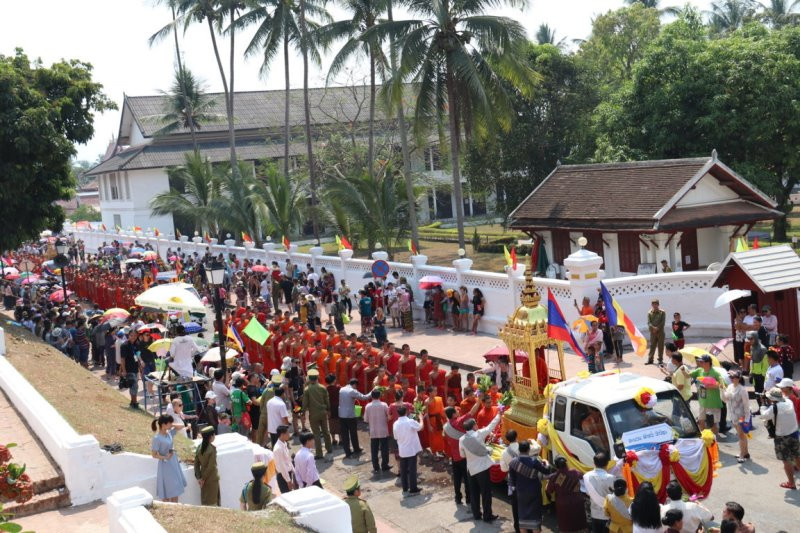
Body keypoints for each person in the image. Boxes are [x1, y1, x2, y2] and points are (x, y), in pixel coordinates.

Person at [460, 407, 503, 523]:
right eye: (475, 424)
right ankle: (487, 515)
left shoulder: (462, 439)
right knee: (486, 493)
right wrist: (499, 414)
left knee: (474, 493)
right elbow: (491, 426)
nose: (477, 425)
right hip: (482, 469)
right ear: (473, 426)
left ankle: (476, 514)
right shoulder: (478, 434)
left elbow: (462, 455)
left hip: (471, 470)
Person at [759, 387, 800, 489]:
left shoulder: (774, 408)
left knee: (787, 461)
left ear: (772, 399)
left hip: (782, 437)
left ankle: (791, 483)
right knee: (797, 456)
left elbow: (764, 416)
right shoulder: (789, 402)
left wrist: (763, 404)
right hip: (794, 433)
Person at [508, 441, 550, 533]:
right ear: (528, 450)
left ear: (519, 449)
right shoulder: (534, 461)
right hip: (534, 493)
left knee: (523, 518)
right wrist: (546, 463)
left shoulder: (513, 462)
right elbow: (546, 471)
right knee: (534, 518)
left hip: (521, 493)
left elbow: (512, 481)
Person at [583, 451, 623, 533]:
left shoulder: (586, 476)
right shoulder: (611, 478)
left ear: (594, 463)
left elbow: (587, 493)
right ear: (607, 463)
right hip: (608, 515)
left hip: (595, 513)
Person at [150, 415, 187, 502]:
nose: (171, 425)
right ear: (163, 424)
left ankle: (176, 508)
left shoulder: (169, 433)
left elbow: (182, 426)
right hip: (165, 465)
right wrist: (165, 457)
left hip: (174, 462)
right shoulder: (157, 438)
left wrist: (171, 424)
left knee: (176, 488)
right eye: (169, 423)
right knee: (168, 489)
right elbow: (154, 454)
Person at [546, 456, 587, 533]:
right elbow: (582, 477)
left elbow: (549, 491)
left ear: (556, 466)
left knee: (566, 526)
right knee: (580, 524)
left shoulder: (554, 477)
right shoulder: (575, 472)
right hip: (577, 502)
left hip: (563, 504)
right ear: (566, 464)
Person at [689, 354, 725, 435]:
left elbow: (722, 385)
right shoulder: (699, 370)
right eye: (699, 361)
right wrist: (683, 370)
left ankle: (713, 440)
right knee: (701, 421)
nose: (700, 363)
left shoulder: (715, 373)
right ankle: (704, 438)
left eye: (702, 361)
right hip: (703, 402)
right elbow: (688, 375)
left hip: (713, 403)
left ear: (708, 363)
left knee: (713, 424)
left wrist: (711, 386)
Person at [302, 369, 332, 459]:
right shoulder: (323, 387)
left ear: (309, 378)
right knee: (326, 431)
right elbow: (327, 400)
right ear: (317, 378)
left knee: (316, 434)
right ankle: (329, 448)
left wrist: (303, 413)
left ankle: (319, 453)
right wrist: (329, 410)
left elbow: (305, 403)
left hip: (313, 414)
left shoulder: (307, 390)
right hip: (323, 412)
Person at [393, 405, 422, 495]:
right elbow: (420, 427)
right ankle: (413, 488)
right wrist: (421, 419)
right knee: (412, 470)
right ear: (406, 412)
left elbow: (395, 437)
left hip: (402, 450)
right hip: (411, 449)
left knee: (403, 470)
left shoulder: (395, 424)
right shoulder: (410, 421)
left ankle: (405, 488)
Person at [722, 370, 751, 462]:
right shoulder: (730, 387)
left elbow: (746, 405)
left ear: (738, 378)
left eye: (733, 377)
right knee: (742, 435)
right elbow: (725, 399)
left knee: (741, 436)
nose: (732, 379)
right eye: (731, 377)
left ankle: (742, 454)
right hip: (733, 415)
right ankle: (745, 452)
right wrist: (721, 389)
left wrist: (747, 419)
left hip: (741, 416)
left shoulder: (742, 390)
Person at [339, 378, 371, 458]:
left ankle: (348, 452)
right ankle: (356, 449)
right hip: (350, 415)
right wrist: (372, 392)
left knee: (345, 435)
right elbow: (364, 397)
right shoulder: (352, 391)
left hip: (342, 415)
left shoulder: (342, 389)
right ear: (355, 385)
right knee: (353, 433)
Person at [364, 389, 391, 474]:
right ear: (380, 396)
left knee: (374, 450)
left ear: (372, 396)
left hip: (373, 431)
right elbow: (389, 417)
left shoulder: (368, 406)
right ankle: (384, 465)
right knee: (384, 449)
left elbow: (366, 419)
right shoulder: (384, 405)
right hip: (383, 430)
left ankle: (376, 466)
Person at [499, 429, 520, 532]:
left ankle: (517, 527)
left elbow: (503, 469)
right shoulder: (524, 447)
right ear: (517, 437)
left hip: (512, 481)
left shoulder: (504, 452)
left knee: (515, 505)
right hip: (525, 481)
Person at [194, 426, 220, 506]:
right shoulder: (212, 449)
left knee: (205, 501)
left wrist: (199, 478)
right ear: (211, 436)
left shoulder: (199, 448)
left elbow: (196, 464)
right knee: (213, 501)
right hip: (211, 478)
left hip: (203, 478)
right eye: (214, 435)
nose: (214, 436)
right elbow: (211, 466)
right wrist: (203, 479)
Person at [120, 329, 142, 409]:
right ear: (128, 335)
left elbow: (138, 356)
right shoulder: (124, 345)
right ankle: (134, 402)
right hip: (128, 368)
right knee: (134, 385)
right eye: (131, 335)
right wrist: (124, 370)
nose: (133, 337)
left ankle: (132, 402)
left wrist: (140, 367)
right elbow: (122, 359)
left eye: (135, 335)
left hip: (135, 367)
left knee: (134, 386)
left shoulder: (137, 344)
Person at [273, 425, 295, 493]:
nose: (289, 435)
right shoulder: (278, 449)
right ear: (282, 434)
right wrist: (288, 481)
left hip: (288, 474)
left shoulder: (284, 444)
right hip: (283, 477)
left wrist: (294, 471)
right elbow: (282, 466)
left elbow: (288, 460)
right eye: (287, 433)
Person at [647, 299, 666, 365]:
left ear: (658, 305)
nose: (655, 305)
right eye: (653, 304)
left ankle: (660, 359)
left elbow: (663, 322)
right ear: (652, 305)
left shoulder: (662, 312)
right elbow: (649, 322)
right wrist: (653, 328)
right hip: (652, 332)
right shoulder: (649, 313)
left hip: (660, 332)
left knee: (660, 346)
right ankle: (650, 359)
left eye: (656, 304)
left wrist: (657, 328)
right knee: (652, 346)